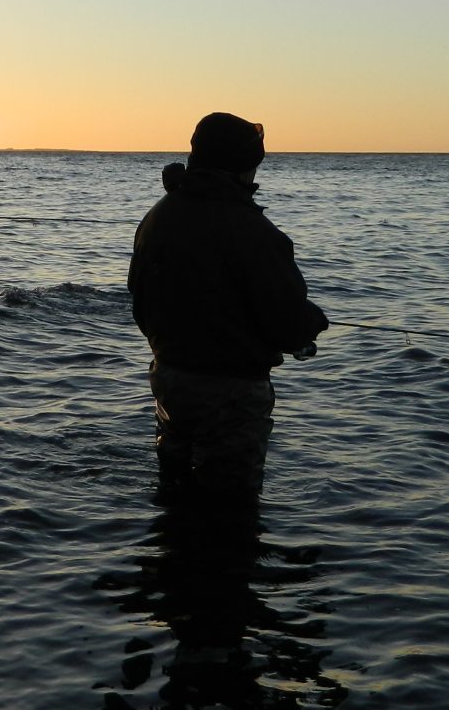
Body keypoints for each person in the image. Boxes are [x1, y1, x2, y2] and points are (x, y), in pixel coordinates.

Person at [128, 112, 328, 502]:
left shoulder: (158, 216)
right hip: (232, 392)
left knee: (174, 493)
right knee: (230, 507)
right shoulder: (253, 231)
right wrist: (312, 325)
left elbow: (140, 299)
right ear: (241, 167)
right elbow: (287, 323)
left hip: (170, 379)